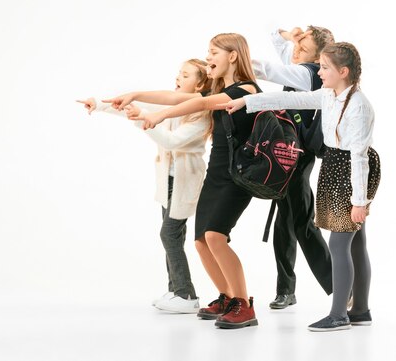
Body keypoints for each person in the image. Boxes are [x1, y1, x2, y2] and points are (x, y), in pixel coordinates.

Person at [225, 42, 380, 331]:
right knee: (355, 242)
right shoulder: (330, 94)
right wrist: (248, 102)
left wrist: (360, 202)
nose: (318, 72)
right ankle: (360, 310)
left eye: (324, 67)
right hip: (336, 165)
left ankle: (339, 315)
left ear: (343, 71)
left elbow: (359, 157)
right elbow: (295, 101)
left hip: (350, 170)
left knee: (340, 242)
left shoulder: (358, 106)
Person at [128, 33, 261, 329]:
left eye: (214, 52)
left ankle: (244, 305)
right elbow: (175, 96)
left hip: (239, 175)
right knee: (201, 242)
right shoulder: (221, 89)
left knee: (215, 236)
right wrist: (135, 94)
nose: (209, 57)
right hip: (216, 173)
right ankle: (226, 296)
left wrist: (162, 115)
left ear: (233, 56)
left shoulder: (246, 89)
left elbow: (195, 105)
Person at [77, 59, 211, 313]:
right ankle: (177, 290)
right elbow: (134, 106)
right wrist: (99, 104)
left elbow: (172, 142)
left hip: (187, 178)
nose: (178, 78)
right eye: (178, 73)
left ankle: (185, 295)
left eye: (185, 75)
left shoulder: (201, 113)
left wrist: (143, 121)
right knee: (174, 235)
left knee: (169, 233)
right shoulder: (174, 102)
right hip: (169, 178)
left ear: (201, 83)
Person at [252, 26, 335, 309]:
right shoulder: (300, 62)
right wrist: (292, 36)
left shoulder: (308, 73)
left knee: (302, 222)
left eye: (304, 45)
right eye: (297, 44)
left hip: (298, 158)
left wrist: (235, 60)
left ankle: (339, 286)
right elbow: (279, 41)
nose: (296, 49)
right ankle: (286, 290)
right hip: (284, 154)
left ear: (319, 56)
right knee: (284, 220)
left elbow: (269, 70)